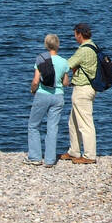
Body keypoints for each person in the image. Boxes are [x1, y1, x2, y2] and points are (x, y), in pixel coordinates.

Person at [27, 34, 70, 167]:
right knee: (52, 128)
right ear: (58, 45)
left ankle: (35, 157)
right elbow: (66, 82)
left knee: (33, 125)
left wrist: (33, 90)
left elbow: (35, 81)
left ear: (46, 45)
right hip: (58, 97)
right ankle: (50, 160)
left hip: (42, 94)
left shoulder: (40, 59)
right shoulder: (64, 62)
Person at [60, 22, 99, 164]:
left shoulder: (83, 50)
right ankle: (74, 151)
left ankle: (89, 155)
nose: (75, 38)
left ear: (80, 34)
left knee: (85, 123)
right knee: (74, 122)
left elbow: (67, 65)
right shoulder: (93, 46)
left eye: (75, 35)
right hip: (89, 88)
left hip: (83, 89)